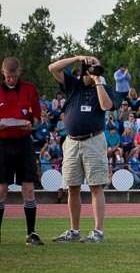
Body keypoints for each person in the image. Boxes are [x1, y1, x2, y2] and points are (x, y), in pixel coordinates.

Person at [48, 54, 114, 243]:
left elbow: (106, 105)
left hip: (93, 140)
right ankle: (74, 230)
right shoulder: (73, 85)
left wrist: (98, 81)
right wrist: (78, 58)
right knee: (72, 187)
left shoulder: (103, 87)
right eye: (92, 68)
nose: (94, 71)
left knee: (96, 186)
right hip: (71, 142)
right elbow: (53, 68)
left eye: (98, 68)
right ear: (84, 70)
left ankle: (98, 231)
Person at [0, 56, 43, 244]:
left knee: (28, 188)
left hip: (24, 141)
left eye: (14, 76)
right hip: (2, 143)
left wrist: (31, 124)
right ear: (3, 73)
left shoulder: (29, 89)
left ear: (19, 72)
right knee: (1, 189)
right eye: (8, 76)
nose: (11, 79)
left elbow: (38, 118)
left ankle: (31, 233)